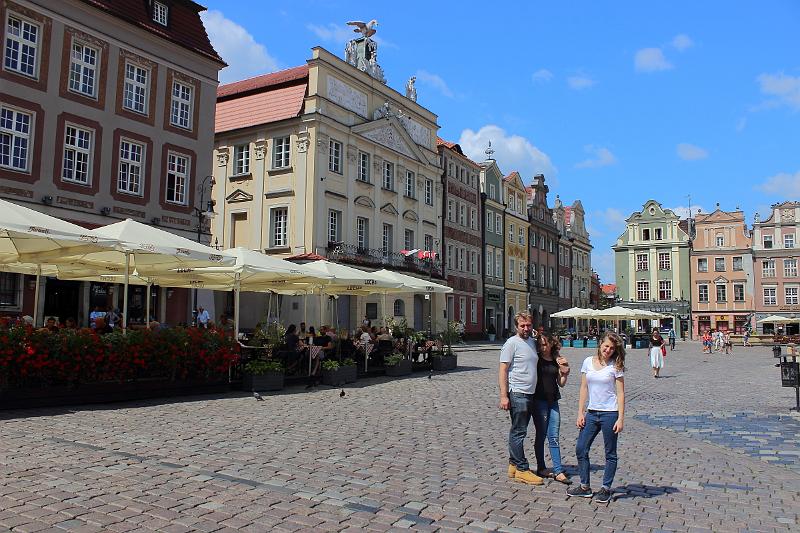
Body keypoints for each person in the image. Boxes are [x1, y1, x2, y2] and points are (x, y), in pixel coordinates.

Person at [567, 331, 626, 504]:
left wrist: (620, 418)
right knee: (581, 448)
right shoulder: (588, 362)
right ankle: (585, 487)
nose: (608, 350)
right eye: (606, 346)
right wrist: (580, 412)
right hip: (592, 413)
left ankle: (606, 488)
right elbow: (583, 388)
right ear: (600, 344)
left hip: (610, 413)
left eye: (612, 348)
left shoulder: (616, 365)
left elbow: (621, 394)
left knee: (610, 453)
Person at [498, 311, 544, 486]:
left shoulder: (532, 342)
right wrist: (504, 395)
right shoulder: (511, 344)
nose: (526, 328)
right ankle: (522, 470)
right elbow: (503, 370)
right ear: (516, 327)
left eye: (528, 325)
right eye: (522, 325)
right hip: (518, 392)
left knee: (519, 429)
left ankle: (513, 464)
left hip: (530, 392)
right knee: (519, 431)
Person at [532, 332, 572, 484]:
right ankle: (541, 467)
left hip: (553, 400)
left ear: (551, 343)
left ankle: (558, 470)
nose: (543, 347)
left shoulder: (557, 359)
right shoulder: (536, 359)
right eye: (540, 344)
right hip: (539, 400)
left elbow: (560, 383)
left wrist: (565, 373)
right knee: (541, 435)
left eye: (545, 344)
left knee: (554, 436)